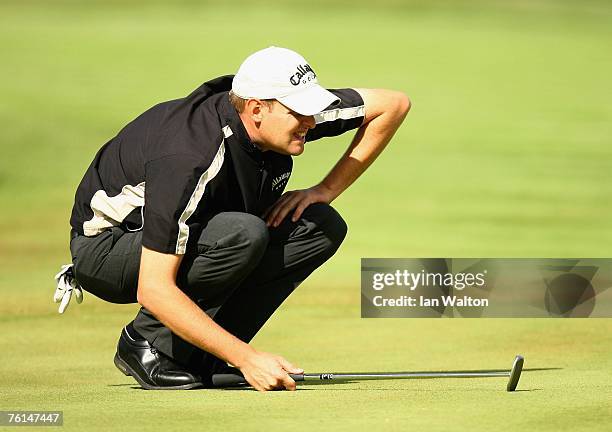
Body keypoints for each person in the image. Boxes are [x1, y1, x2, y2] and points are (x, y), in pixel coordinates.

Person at [54, 46, 410, 392]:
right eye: (300, 112)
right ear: (256, 109)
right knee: (242, 233)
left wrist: (325, 190)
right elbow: (154, 286)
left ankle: (200, 358)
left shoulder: (281, 113)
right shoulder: (190, 154)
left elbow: (392, 105)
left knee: (320, 225)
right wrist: (247, 358)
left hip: (199, 232)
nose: (310, 122)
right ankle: (145, 343)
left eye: (311, 109)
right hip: (109, 248)